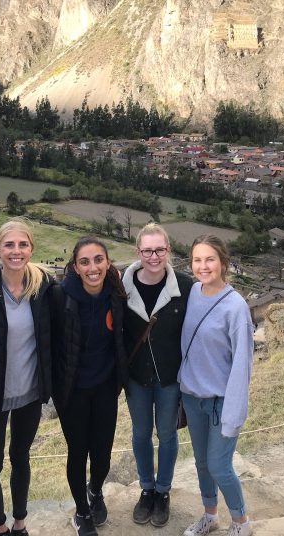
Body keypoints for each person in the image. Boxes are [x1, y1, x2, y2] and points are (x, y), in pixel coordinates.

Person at [0, 219, 56, 536]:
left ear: (31, 248)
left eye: (22, 245)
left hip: (30, 391)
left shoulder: (43, 286)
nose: (16, 252)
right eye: (9, 245)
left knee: (21, 457)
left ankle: (19, 522)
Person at [52, 236, 129, 536]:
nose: (93, 267)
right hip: (72, 391)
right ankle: (82, 512)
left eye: (98, 259)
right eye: (85, 261)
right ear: (75, 266)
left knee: (103, 454)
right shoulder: (61, 296)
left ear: (108, 263)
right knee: (78, 452)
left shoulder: (116, 292)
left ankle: (95, 491)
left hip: (106, 387)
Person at [179, 235, 254, 536]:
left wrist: (234, 415)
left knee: (219, 465)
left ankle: (241, 522)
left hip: (221, 401)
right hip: (191, 396)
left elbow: (242, 366)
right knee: (201, 463)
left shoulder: (236, 308)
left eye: (210, 259)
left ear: (223, 263)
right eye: (197, 260)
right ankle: (210, 515)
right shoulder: (192, 293)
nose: (203, 266)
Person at [122, 223, 192, 527]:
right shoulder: (121, 286)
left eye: (159, 249)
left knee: (166, 435)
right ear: (138, 252)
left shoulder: (186, 287)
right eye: (148, 250)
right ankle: (146, 489)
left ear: (168, 250)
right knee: (140, 435)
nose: (154, 256)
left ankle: (163, 492)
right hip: (137, 378)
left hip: (169, 378)